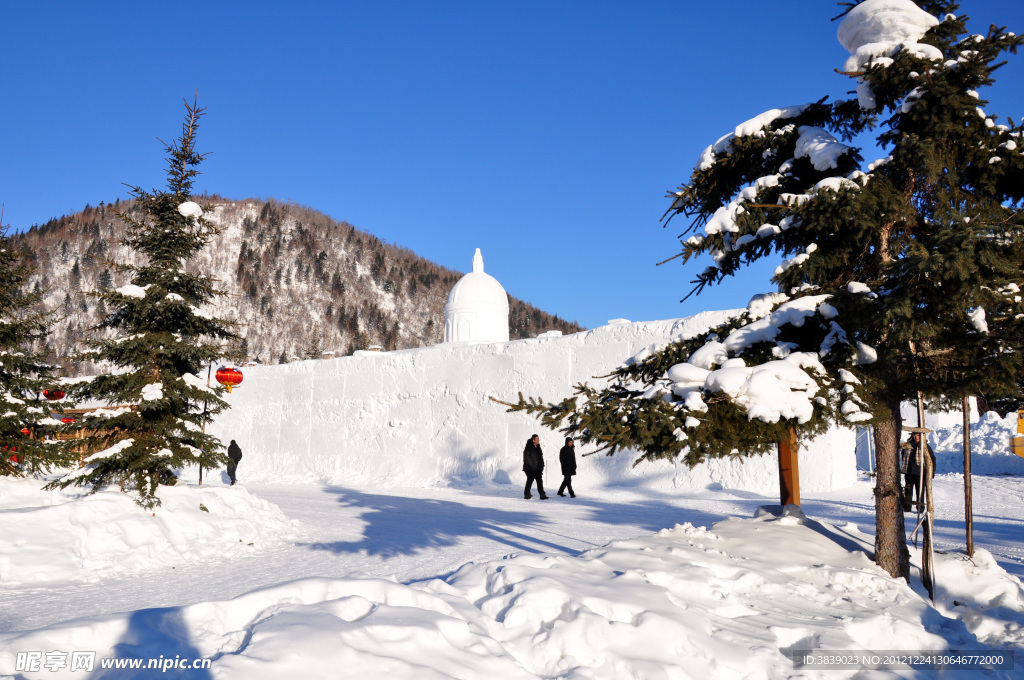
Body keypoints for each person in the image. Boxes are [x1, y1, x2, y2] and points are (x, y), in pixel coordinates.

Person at [901, 432, 934, 512]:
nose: (916, 437)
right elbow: (903, 456)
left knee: (920, 491)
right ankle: (907, 507)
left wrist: (931, 472)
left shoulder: (925, 447)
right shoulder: (907, 446)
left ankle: (920, 508)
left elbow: (932, 459)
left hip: (920, 473)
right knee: (908, 490)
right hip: (909, 472)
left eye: (918, 436)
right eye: (914, 435)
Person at [522, 434, 548, 499]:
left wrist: (542, 465)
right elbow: (526, 457)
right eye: (537, 439)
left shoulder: (538, 447)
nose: (538, 440)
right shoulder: (528, 447)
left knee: (539, 481)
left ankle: (542, 494)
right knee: (530, 480)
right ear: (533, 440)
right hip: (530, 468)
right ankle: (527, 494)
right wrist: (532, 465)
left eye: (538, 439)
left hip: (538, 468)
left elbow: (540, 457)